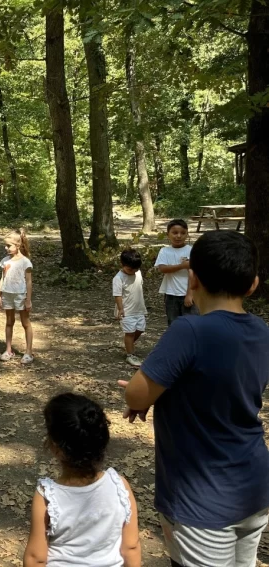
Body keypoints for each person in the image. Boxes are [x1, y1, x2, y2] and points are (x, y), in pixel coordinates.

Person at [120, 230, 269, 567]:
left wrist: (148, 389)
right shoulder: (261, 330)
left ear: (194, 278)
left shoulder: (189, 330)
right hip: (254, 486)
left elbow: (135, 392)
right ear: (253, 284)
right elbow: (220, 385)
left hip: (201, 499)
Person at [23, 393, 140, 567]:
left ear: (55, 447)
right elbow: (130, 547)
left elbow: (36, 558)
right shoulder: (120, 486)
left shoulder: (47, 497)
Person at [0, 229, 34, 364]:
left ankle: (28, 352)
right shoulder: (5, 261)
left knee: (25, 323)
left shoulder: (25, 262)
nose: (6, 248)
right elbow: (2, 278)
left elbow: (29, 282)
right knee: (9, 322)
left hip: (21, 295)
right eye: (5, 245)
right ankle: (8, 350)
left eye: (9, 245)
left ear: (18, 245)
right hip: (7, 294)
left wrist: (28, 299)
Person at [155, 218, 199, 326]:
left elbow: (194, 273)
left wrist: (189, 294)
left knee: (191, 323)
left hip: (189, 294)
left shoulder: (192, 250)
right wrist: (182, 266)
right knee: (173, 323)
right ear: (168, 234)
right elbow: (162, 268)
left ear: (187, 234)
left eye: (183, 233)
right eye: (175, 233)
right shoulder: (164, 251)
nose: (178, 236)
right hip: (171, 294)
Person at [113, 250, 146, 367]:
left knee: (140, 329)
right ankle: (130, 355)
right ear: (122, 264)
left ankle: (128, 345)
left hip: (139, 309)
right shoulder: (119, 278)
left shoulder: (138, 273)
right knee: (130, 332)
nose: (133, 271)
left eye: (136, 268)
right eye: (130, 269)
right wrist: (120, 309)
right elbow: (118, 295)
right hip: (127, 311)